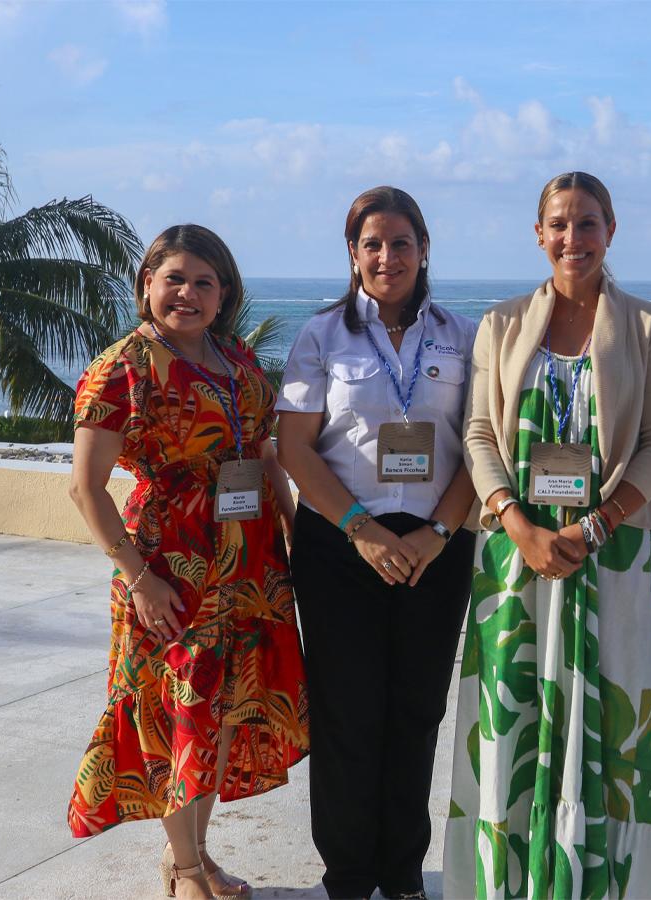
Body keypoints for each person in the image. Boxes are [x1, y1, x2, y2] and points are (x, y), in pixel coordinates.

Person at [443, 172, 651, 899]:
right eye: (559, 224)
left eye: (587, 224)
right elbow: (477, 434)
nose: (572, 238)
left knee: (611, 710)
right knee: (511, 717)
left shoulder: (647, 326)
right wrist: (519, 526)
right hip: (514, 556)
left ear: (611, 230)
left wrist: (596, 524)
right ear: (538, 233)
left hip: (612, 552)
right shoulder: (502, 324)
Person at [66, 225, 310, 900]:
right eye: (174, 278)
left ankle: (197, 855)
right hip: (172, 569)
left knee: (224, 712)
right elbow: (85, 489)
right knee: (182, 713)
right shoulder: (124, 367)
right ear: (147, 283)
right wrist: (139, 579)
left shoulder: (235, 356)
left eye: (204, 282)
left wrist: (292, 530)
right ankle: (183, 869)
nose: (188, 294)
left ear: (224, 293)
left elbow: (264, 452)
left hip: (249, 564)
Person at [275, 186, 477, 900]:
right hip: (340, 546)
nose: (387, 256)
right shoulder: (321, 336)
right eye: (372, 244)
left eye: (400, 243)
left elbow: (480, 449)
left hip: (435, 548)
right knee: (348, 715)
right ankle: (349, 876)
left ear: (424, 250)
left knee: (417, 711)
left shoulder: (463, 336)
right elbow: (295, 449)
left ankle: (402, 871)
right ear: (353, 255)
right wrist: (360, 530)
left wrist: (437, 533)